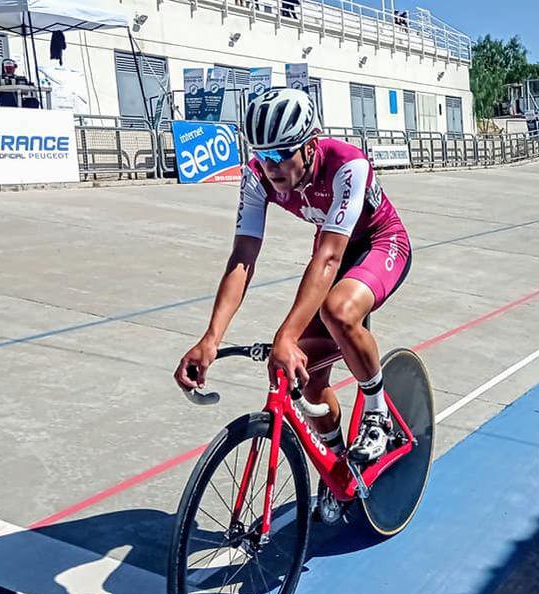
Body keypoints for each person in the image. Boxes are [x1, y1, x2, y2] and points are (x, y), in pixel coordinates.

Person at [175, 89, 413, 463]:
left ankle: (377, 412)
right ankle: (339, 471)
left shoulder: (348, 165)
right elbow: (242, 259)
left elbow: (330, 258)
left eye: (280, 154)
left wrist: (285, 335)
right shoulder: (256, 178)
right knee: (305, 378)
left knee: (338, 311)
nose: (271, 165)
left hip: (378, 243)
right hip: (330, 246)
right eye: (261, 153)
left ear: (310, 145)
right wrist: (211, 338)